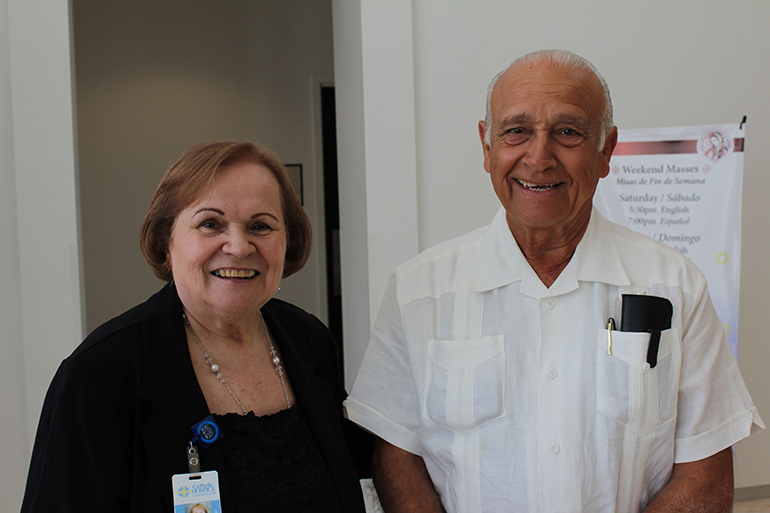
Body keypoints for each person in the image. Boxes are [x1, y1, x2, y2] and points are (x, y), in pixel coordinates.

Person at [345, 50, 764, 512]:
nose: (538, 156)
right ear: (487, 146)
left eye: (568, 132)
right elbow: (396, 453)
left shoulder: (676, 287)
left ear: (606, 150)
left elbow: (706, 467)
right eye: (516, 131)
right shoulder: (419, 291)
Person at [22, 141, 373, 512]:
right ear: (165, 241)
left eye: (260, 225)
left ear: (288, 241)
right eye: (210, 224)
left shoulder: (310, 341)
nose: (238, 246)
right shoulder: (99, 375)